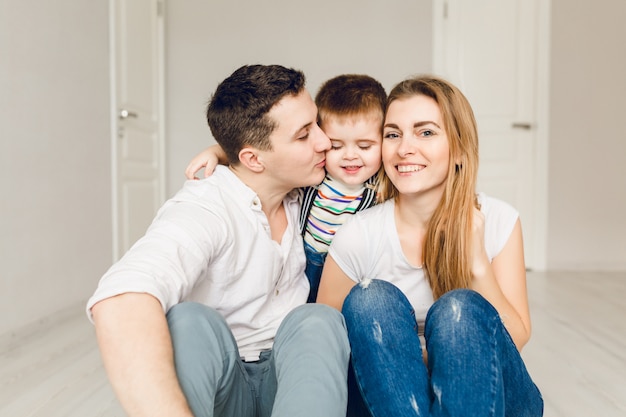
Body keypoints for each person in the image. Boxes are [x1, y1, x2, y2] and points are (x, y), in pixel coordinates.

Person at [87, 64, 351, 417]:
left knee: (319, 320)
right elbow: (121, 299)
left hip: (290, 380)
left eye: (316, 123)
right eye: (304, 135)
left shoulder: (310, 191)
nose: (324, 141)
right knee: (188, 321)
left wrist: (220, 149)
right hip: (224, 387)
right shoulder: (205, 206)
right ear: (253, 159)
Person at [317, 75, 543, 417]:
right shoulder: (359, 233)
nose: (405, 148)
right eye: (393, 134)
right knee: (369, 297)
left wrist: (478, 263)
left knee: (460, 309)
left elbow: (515, 340)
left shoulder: (499, 220)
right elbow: (327, 345)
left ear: (459, 148)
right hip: (389, 397)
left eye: (425, 132)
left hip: (494, 396)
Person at [186, 74, 387, 303]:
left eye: (364, 146)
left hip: (352, 271)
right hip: (307, 266)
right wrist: (219, 151)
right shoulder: (314, 177)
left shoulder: (384, 186)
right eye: (336, 145)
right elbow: (260, 154)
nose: (350, 156)